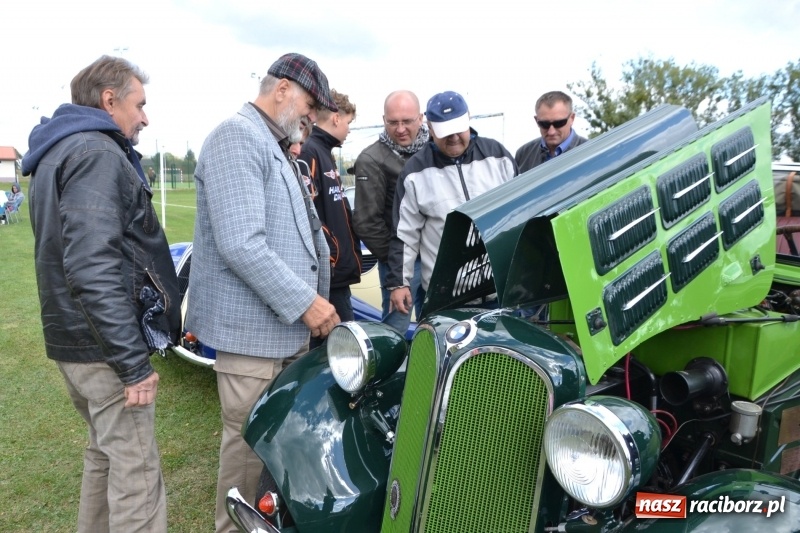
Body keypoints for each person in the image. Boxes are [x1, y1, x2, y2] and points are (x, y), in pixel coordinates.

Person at [21, 55, 180, 533]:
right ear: (109, 100)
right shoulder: (97, 152)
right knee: (136, 476)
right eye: (140, 104)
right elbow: (91, 266)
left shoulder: (60, 149)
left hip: (76, 343)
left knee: (104, 456)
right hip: (102, 350)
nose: (145, 118)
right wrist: (131, 363)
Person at [185, 52, 340, 533]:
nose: (313, 118)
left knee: (272, 449)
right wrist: (306, 303)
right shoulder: (238, 136)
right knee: (249, 449)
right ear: (282, 91)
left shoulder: (269, 142)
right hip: (252, 338)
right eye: (311, 105)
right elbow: (241, 243)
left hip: (277, 334)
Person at [387, 91, 518, 315]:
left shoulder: (498, 157)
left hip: (500, 290)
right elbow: (404, 234)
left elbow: (521, 213)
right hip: (445, 298)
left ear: (468, 119)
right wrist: (399, 283)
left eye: (458, 129)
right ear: (429, 127)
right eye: (446, 132)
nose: (454, 137)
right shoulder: (415, 173)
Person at [353, 90, 428, 332]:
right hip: (400, 261)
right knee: (394, 330)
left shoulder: (435, 153)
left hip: (436, 256)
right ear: (383, 119)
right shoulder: (371, 159)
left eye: (407, 121)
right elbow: (366, 222)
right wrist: (398, 259)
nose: (400, 129)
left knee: (440, 327)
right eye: (393, 122)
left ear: (421, 118)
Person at [298, 90, 361, 346]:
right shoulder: (310, 152)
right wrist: (333, 255)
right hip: (328, 276)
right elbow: (304, 215)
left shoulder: (326, 152)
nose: (348, 130)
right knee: (343, 348)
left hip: (336, 274)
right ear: (336, 118)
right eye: (348, 123)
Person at [515, 90, 587, 173]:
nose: (551, 132)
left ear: (572, 118)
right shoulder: (524, 154)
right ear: (536, 120)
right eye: (544, 124)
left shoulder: (591, 152)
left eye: (559, 123)